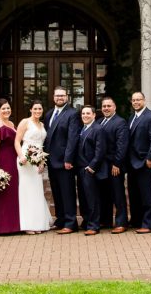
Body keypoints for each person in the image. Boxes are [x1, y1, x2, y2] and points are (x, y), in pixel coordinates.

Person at [44, 86, 80, 233]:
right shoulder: (49, 114)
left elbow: (73, 138)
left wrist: (68, 159)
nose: (59, 98)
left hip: (65, 161)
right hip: (51, 161)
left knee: (67, 193)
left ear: (67, 97)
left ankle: (71, 223)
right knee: (57, 193)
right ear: (53, 97)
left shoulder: (73, 114)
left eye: (62, 95)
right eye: (57, 95)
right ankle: (61, 219)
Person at [126, 91, 151, 234]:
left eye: (138, 100)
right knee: (134, 194)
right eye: (134, 100)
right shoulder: (131, 117)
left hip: (145, 162)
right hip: (132, 163)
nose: (136, 102)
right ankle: (136, 220)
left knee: (146, 195)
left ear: (144, 100)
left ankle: (148, 224)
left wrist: (150, 158)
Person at [15, 99, 51, 233]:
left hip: (38, 159)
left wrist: (41, 162)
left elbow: (41, 145)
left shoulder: (42, 124)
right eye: (35, 108)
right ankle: (28, 225)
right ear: (30, 109)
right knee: (27, 190)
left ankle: (37, 223)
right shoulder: (25, 122)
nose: (37, 111)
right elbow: (17, 141)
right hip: (25, 159)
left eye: (40, 109)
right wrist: (21, 156)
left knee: (37, 190)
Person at [0, 98, 21, 234]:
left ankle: (13, 225)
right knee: (3, 192)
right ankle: (2, 226)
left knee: (12, 192)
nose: (6, 110)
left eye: (8, 108)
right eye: (3, 108)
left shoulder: (11, 123)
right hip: (2, 160)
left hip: (13, 160)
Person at [98, 96, 129, 233]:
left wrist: (117, 163)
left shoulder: (120, 122)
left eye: (108, 106)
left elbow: (122, 145)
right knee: (104, 193)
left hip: (114, 165)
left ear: (114, 107)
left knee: (118, 194)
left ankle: (121, 222)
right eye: (104, 106)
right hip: (102, 165)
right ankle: (105, 221)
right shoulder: (99, 122)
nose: (106, 108)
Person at [75, 105, 106, 235]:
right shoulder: (82, 128)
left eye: (88, 113)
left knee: (92, 198)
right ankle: (87, 221)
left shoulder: (98, 129)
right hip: (81, 169)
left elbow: (100, 150)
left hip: (90, 170)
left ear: (94, 115)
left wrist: (92, 167)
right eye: (83, 113)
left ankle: (94, 226)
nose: (85, 116)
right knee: (84, 198)